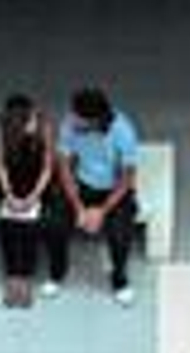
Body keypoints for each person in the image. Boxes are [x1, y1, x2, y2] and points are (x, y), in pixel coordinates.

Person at [48, 86, 141, 302]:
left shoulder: (123, 131)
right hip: (81, 184)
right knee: (54, 224)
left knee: (120, 235)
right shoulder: (69, 125)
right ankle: (57, 273)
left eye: (78, 117)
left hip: (114, 189)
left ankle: (119, 279)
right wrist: (79, 207)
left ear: (94, 120)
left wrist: (101, 211)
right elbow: (64, 167)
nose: (71, 119)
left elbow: (127, 179)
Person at [0, 93, 55, 307]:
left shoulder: (44, 130)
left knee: (29, 228)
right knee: (9, 225)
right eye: (30, 117)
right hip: (11, 183)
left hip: (36, 183)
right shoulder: (3, 132)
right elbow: (0, 168)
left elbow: (47, 169)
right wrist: (9, 196)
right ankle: (12, 275)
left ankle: (25, 276)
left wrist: (32, 197)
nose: (35, 118)